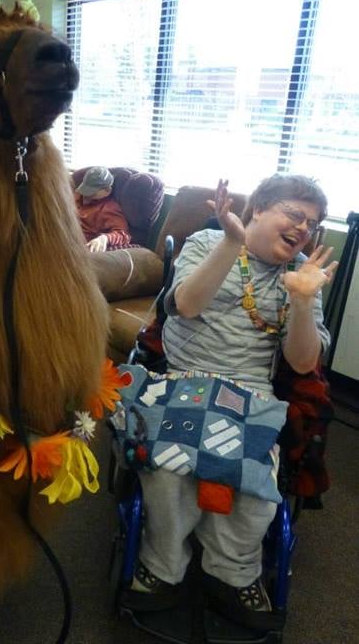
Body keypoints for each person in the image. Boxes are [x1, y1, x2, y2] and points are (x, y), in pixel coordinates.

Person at [125, 175, 337, 629]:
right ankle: (163, 565)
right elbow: (185, 304)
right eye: (294, 214)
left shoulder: (301, 276)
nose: (303, 228)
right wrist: (229, 243)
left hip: (250, 392)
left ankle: (233, 572)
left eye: (312, 223)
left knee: (255, 483)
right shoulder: (207, 241)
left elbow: (303, 365)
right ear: (258, 208)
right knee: (167, 468)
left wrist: (302, 301)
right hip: (183, 379)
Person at [74, 166, 131, 251]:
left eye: (91, 193)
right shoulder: (78, 195)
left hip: (77, 247)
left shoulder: (109, 208)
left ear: (107, 191)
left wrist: (105, 238)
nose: (85, 196)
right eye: (84, 190)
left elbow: (123, 235)